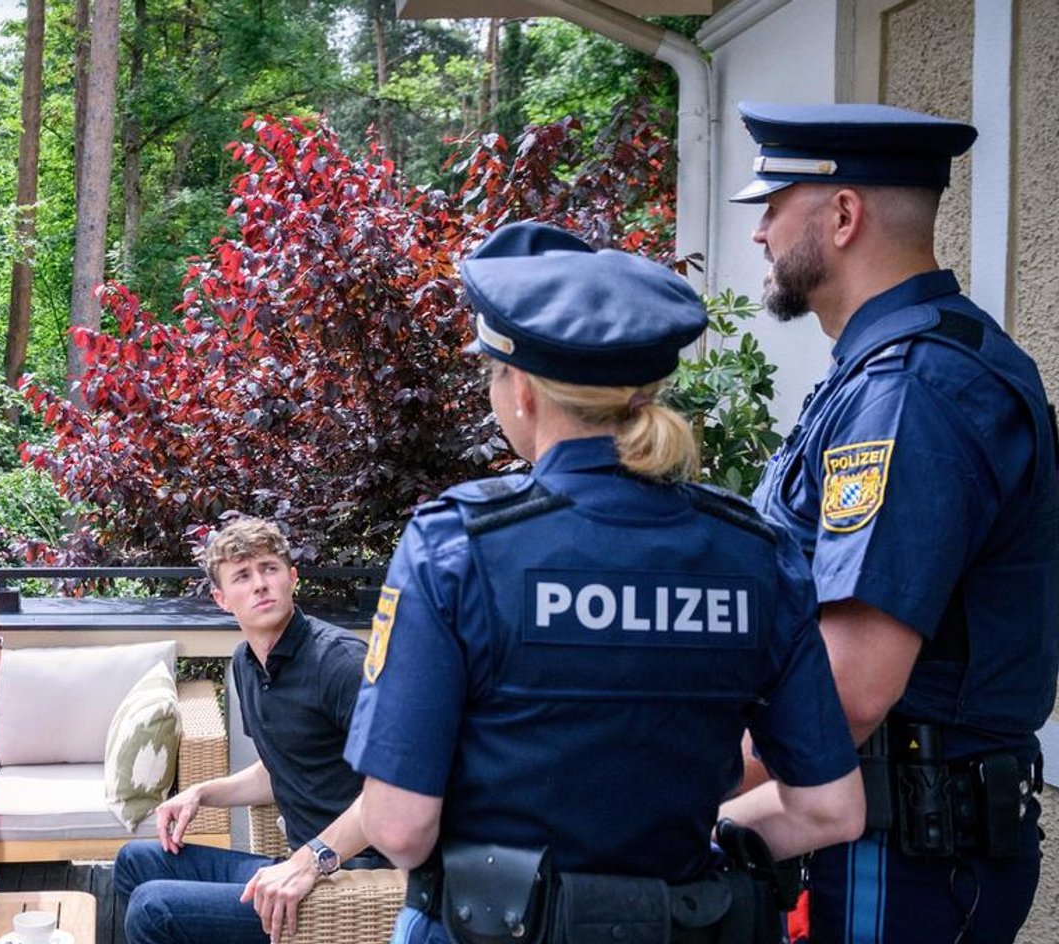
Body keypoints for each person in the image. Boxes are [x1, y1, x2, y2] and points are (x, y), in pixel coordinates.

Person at [344, 223, 866, 944]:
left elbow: (400, 828)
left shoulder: (457, 545)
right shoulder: (753, 552)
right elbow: (830, 810)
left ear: (522, 390)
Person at [732, 101, 1058, 944]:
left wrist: (664, 783)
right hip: (872, 834)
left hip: (894, 851)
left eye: (773, 205)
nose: (760, 234)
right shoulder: (887, 372)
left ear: (842, 216)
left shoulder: (908, 392)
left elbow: (846, 695)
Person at [113, 517, 386, 944]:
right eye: (243, 576)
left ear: (292, 578)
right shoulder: (246, 664)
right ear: (222, 599)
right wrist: (203, 793)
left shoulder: (341, 664)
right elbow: (278, 769)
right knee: (135, 860)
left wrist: (311, 860)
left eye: (270, 569)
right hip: (295, 863)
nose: (260, 584)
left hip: (351, 875)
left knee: (154, 909)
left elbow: (397, 789)